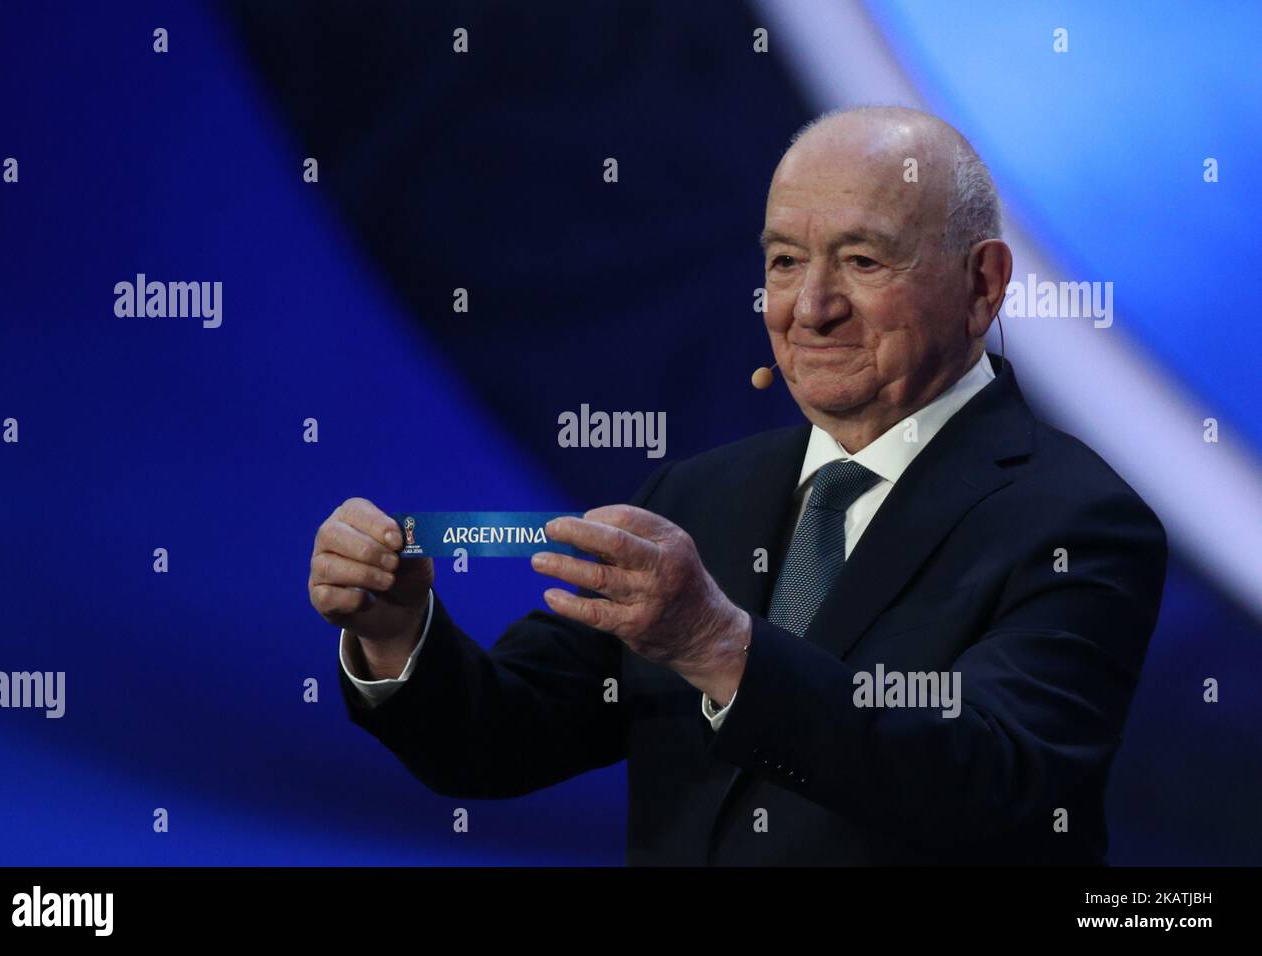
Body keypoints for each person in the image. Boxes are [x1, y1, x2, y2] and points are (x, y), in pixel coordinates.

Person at [307, 107, 1167, 865]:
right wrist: (396, 636)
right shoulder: (698, 497)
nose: (811, 306)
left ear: (982, 285)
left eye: (863, 261)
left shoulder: (1076, 521)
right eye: (786, 261)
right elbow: (498, 742)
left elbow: (997, 782)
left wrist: (718, 646)